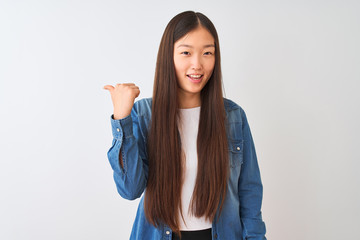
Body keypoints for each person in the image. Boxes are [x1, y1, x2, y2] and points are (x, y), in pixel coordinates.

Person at [103, 11, 266, 240]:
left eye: (207, 53)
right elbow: (130, 189)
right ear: (168, 56)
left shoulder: (233, 117)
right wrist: (122, 119)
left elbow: (249, 192)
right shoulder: (145, 115)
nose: (197, 64)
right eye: (186, 52)